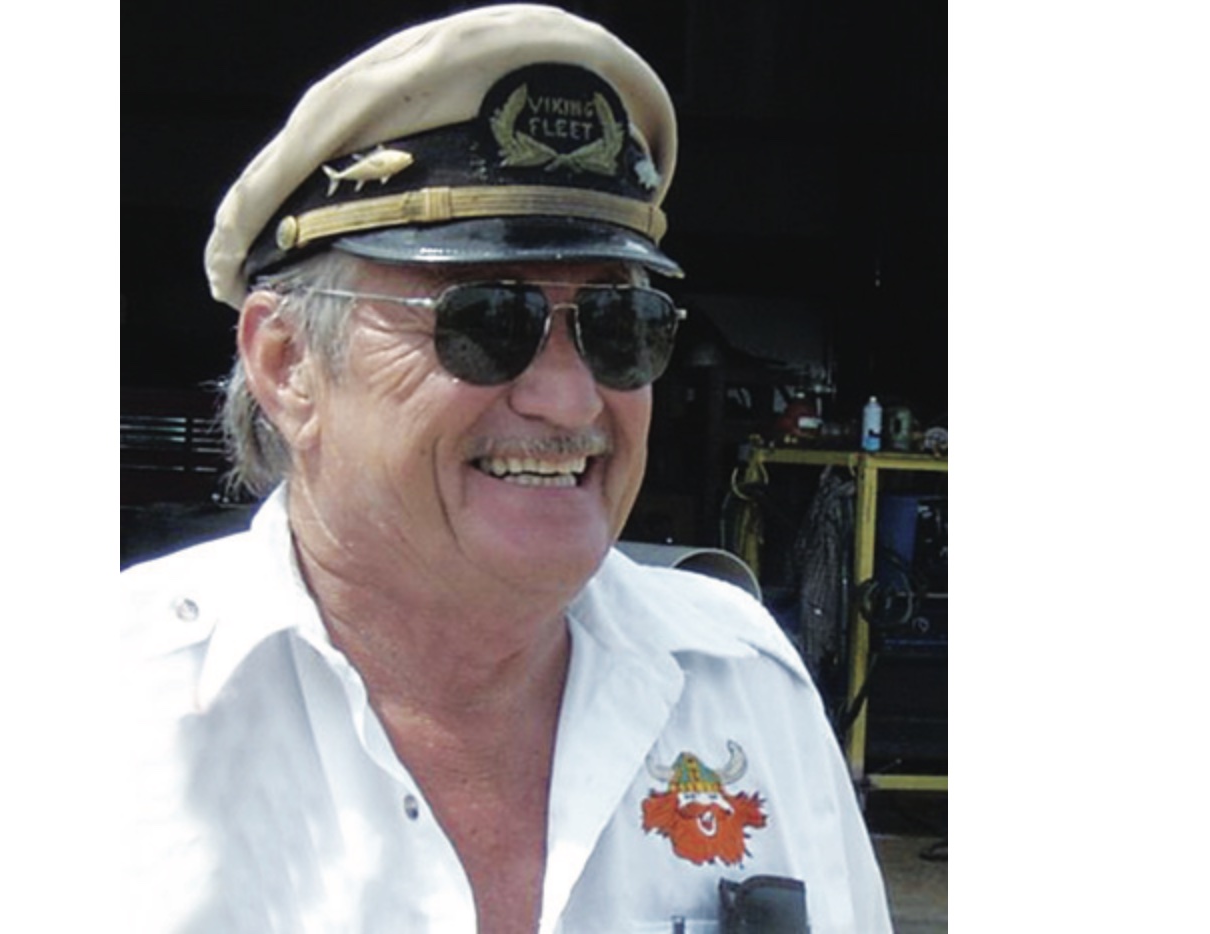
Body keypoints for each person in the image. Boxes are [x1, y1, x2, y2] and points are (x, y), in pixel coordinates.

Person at [121, 5, 892, 931]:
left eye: (620, 326)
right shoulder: (102, 718)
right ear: (289, 366)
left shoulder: (747, 685)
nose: (568, 400)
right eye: (485, 322)